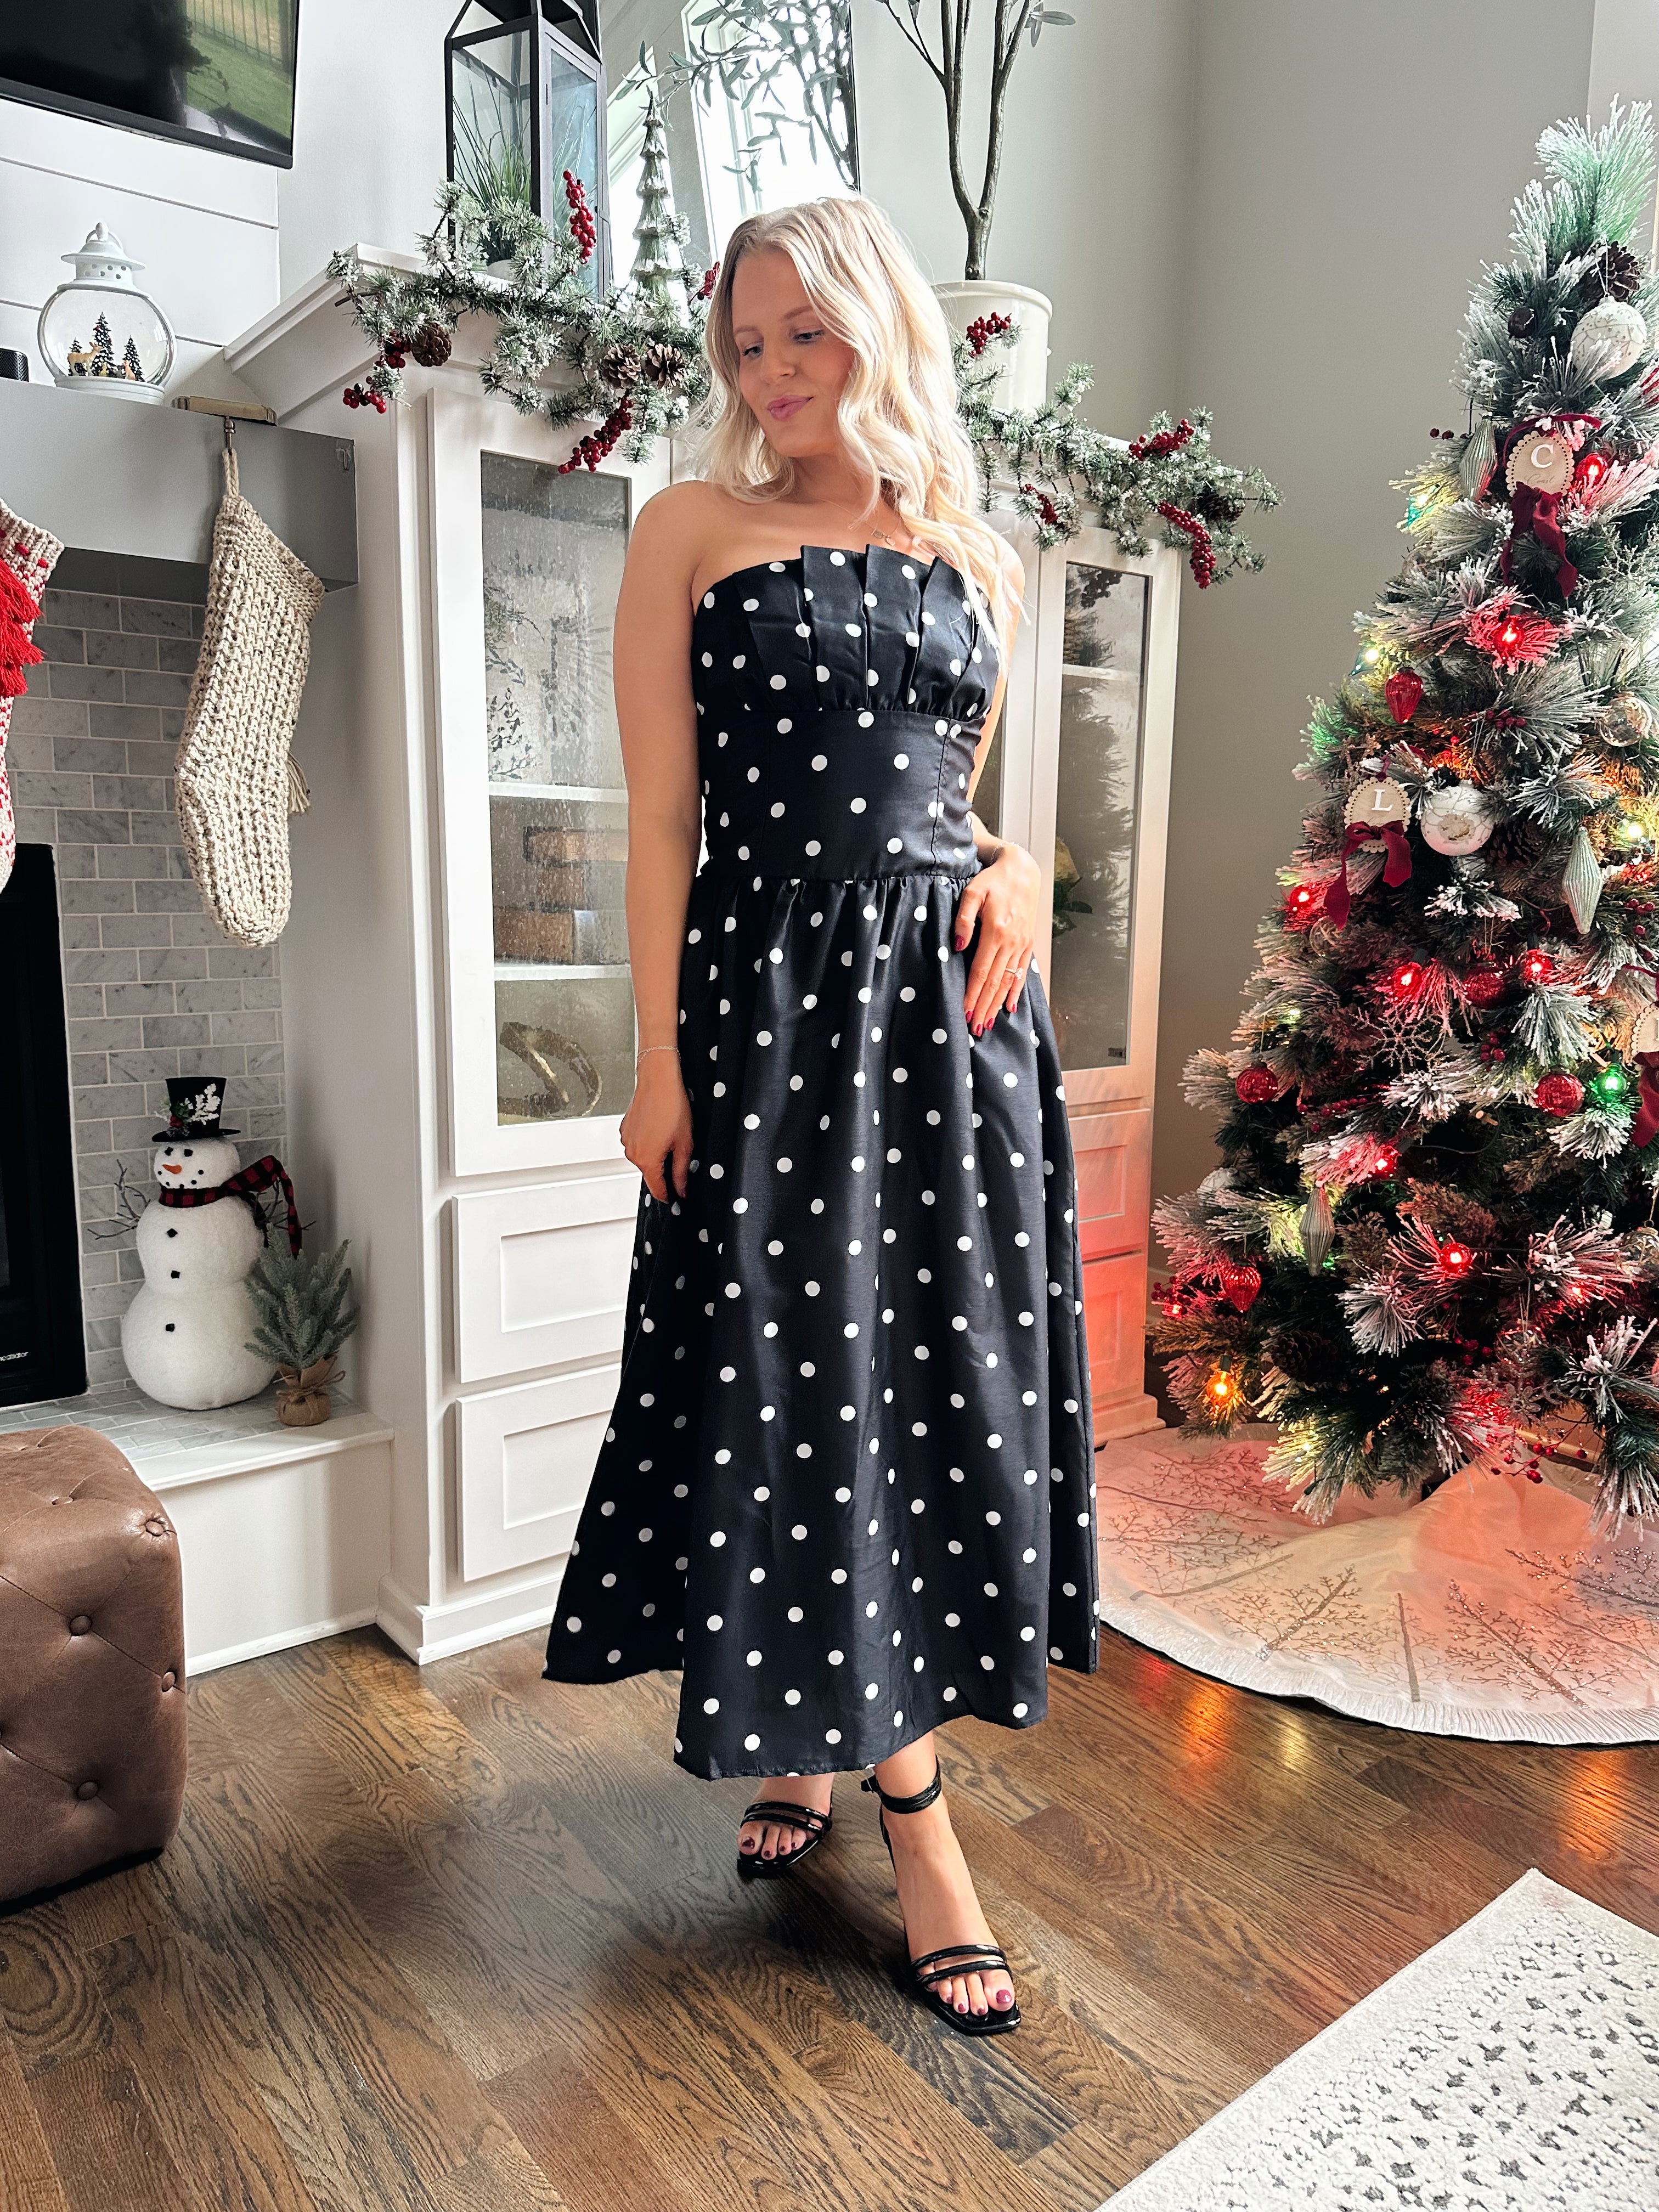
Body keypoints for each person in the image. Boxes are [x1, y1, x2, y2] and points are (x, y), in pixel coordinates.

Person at [543, 194, 1098, 2035]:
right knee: (796, 1387)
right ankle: (909, 1818)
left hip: (949, 1036)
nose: (772, 371)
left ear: (882, 326)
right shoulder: (690, 531)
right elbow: (660, 823)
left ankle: (835, 1755)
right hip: (771, 1027)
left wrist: (1024, 874)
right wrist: (657, 1058)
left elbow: (963, 807)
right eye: (746, 341)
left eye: (806, 331)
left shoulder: (976, 553)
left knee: (925, 1391)